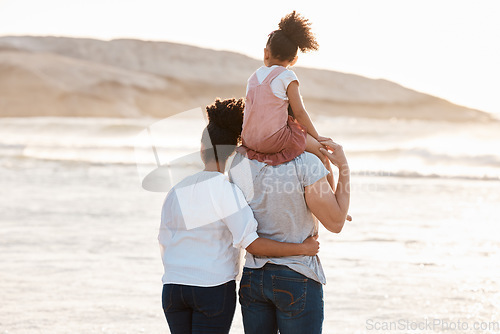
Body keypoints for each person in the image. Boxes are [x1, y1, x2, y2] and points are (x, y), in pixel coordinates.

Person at [158, 98, 320, 334]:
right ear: (234, 151)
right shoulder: (227, 190)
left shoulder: (176, 190)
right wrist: (302, 249)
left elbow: (164, 239)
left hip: (172, 288)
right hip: (211, 288)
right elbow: (251, 243)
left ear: (202, 149)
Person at [229, 125, 351, 333]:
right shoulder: (306, 164)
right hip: (296, 274)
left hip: (253, 276)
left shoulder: (240, 163)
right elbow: (336, 223)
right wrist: (344, 168)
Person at [238, 11, 335, 167]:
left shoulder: (253, 77)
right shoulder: (287, 76)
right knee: (321, 154)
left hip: (248, 140)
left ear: (266, 53)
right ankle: (332, 192)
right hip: (272, 141)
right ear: (294, 59)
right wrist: (317, 138)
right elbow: (300, 113)